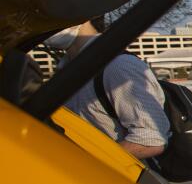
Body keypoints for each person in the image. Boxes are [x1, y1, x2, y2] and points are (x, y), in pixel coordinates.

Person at [50, 16, 170, 160]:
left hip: (116, 178)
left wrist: (86, 163)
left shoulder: (117, 66)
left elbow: (150, 140)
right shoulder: (67, 70)